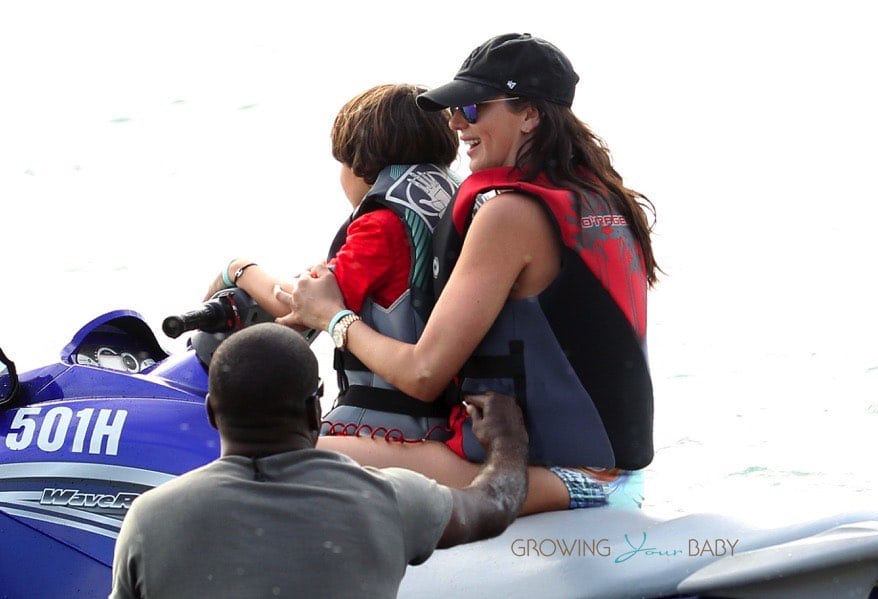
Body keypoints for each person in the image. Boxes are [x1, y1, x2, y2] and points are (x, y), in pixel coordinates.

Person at [276, 33, 660, 516]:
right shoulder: (603, 197)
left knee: (282, 454)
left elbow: (423, 374)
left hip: (560, 477)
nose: (456, 122)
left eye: (474, 108)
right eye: (455, 109)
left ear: (530, 115)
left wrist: (332, 316)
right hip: (613, 469)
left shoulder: (509, 216)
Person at [109, 323, 528, 599]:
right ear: (315, 411)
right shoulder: (388, 499)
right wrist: (508, 441)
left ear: (211, 414)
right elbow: (495, 504)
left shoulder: (149, 520)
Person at [204, 83, 460, 441]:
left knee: (271, 460)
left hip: (389, 423)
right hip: (443, 416)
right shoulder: (448, 200)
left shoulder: (381, 225)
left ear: (362, 164)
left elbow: (302, 302)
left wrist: (240, 271)